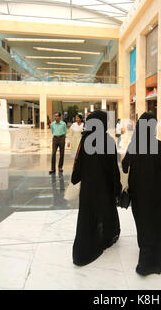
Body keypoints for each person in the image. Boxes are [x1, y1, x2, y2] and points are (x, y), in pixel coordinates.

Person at [71, 110, 121, 266]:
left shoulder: (85, 140)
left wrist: (76, 177)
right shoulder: (108, 141)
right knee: (105, 210)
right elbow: (113, 168)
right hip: (104, 186)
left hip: (88, 187)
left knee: (89, 214)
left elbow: (78, 164)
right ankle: (106, 236)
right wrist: (116, 187)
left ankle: (86, 244)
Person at [122, 112, 161, 276]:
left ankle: (144, 248)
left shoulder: (134, 145)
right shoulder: (159, 145)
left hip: (137, 190)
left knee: (142, 220)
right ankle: (153, 259)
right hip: (155, 191)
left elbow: (124, 165)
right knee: (155, 222)